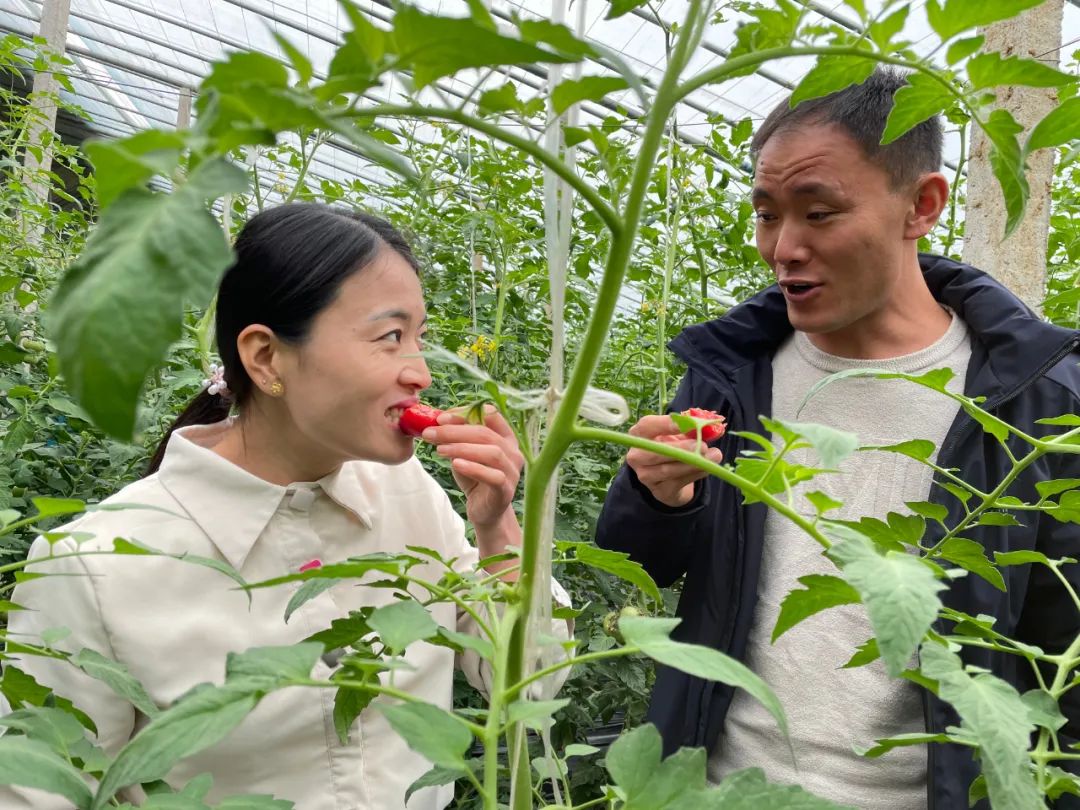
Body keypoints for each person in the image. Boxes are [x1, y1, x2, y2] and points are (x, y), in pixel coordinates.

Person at [595, 68, 1080, 809]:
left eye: (818, 214)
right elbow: (642, 566)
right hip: (722, 790)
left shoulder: (1037, 401)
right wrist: (658, 496)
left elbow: (1060, 655)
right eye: (766, 215)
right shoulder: (734, 372)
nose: (782, 248)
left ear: (922, 205)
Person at [2, 203, 569, 809]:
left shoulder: (413, 498)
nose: (422, 373)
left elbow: (527, 683)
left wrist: (498, 527)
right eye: (389, 337)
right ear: (266, 358)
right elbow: (41, 792)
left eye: (419, 337)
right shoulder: (93, 565)